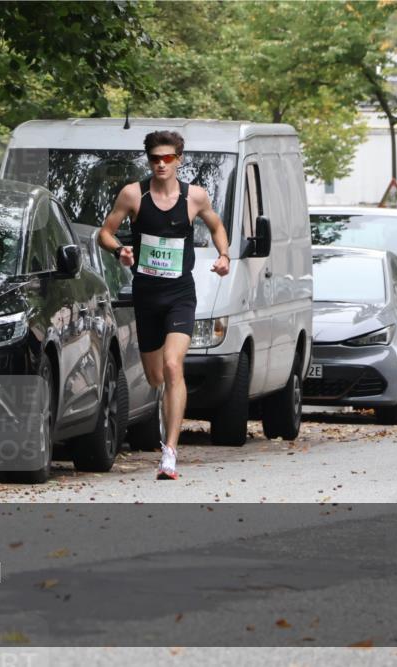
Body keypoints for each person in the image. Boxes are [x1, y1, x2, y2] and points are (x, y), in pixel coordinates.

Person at [98, 130, 230, 480]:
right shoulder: (133, 194)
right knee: (156, 376)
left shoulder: (194, 197)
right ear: (149, 161)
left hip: (180, 294)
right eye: (155, 158)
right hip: (146, 296)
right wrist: (120, 250)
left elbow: (217, 226)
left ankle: (169, 452)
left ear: (178, 160)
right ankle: (166, 406)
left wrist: (224, 256)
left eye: (168, 158)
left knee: (173, 366)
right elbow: (104, 232)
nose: (161, 164)